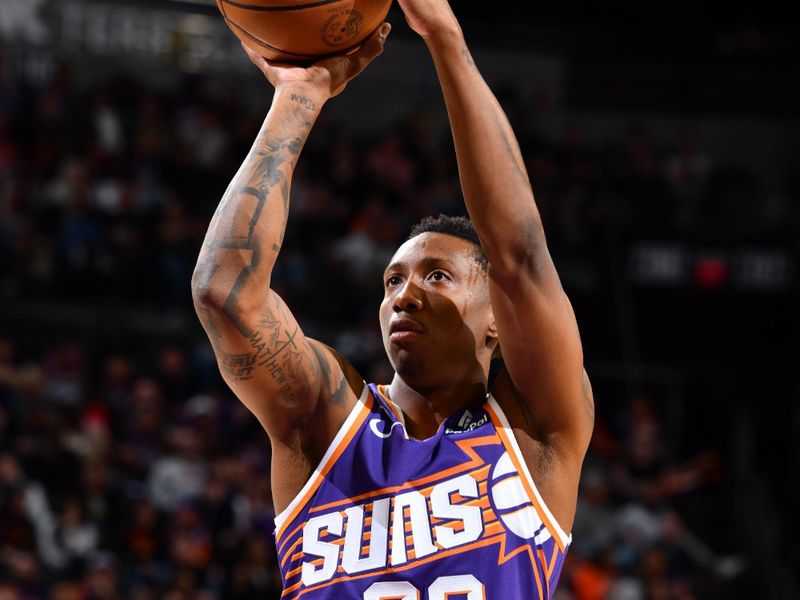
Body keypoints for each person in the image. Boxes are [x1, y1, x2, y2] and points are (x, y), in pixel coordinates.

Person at [191, 1, 594, 597]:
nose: (405, 294)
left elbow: (520, 256)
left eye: (437, 277)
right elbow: (224, 292)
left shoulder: (537, 433)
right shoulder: (326, 423)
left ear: (497, 324)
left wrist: (446, 38)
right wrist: (299, 95)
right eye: (393, 280)